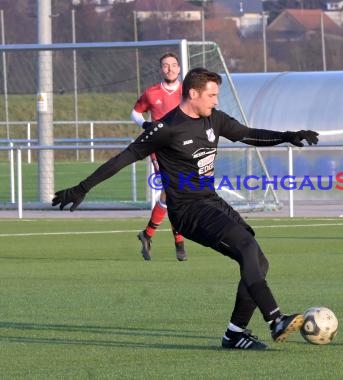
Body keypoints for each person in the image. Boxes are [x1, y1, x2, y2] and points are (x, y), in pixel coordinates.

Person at [52, 67, 319, 350]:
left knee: (257, 261)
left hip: (211, 202)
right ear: (193, 93)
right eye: (212, 95)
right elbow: (123, 158)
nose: (216, 101)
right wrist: (82, 188)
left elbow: (248, 134)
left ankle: (234, 334)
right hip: (187, 211)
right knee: (246, 247)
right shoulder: (165, 128)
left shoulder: (213, 119)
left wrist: (288, 135)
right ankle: (275, 319)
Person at [131, 52, 186, 261]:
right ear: (161, 69)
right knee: (172, 191)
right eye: (165, 65)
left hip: (183, 149)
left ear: (179, 69)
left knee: (177, 193)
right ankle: (179, 241)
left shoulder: (187, 92)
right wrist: (145, 125)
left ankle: (147, 234)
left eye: (173, 65)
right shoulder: (151, 92)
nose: (170, 69)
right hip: (159, 148)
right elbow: (135, 113)